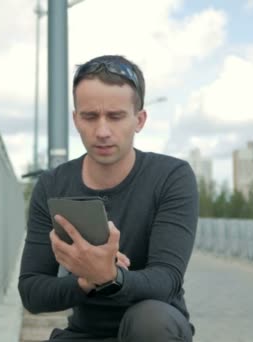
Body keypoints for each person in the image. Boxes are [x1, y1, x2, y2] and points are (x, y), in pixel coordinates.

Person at [18, 55, 198, 342]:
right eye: (90, 116)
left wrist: (110, 276)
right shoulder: (53, 185)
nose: (102, 131)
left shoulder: (171, 176)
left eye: (115, 116)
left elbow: (167, 281)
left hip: (155, 329)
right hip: (85, 332)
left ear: (139, 120)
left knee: (149, 321)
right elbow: (32, 293)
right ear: (76, 119)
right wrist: (86, 281)